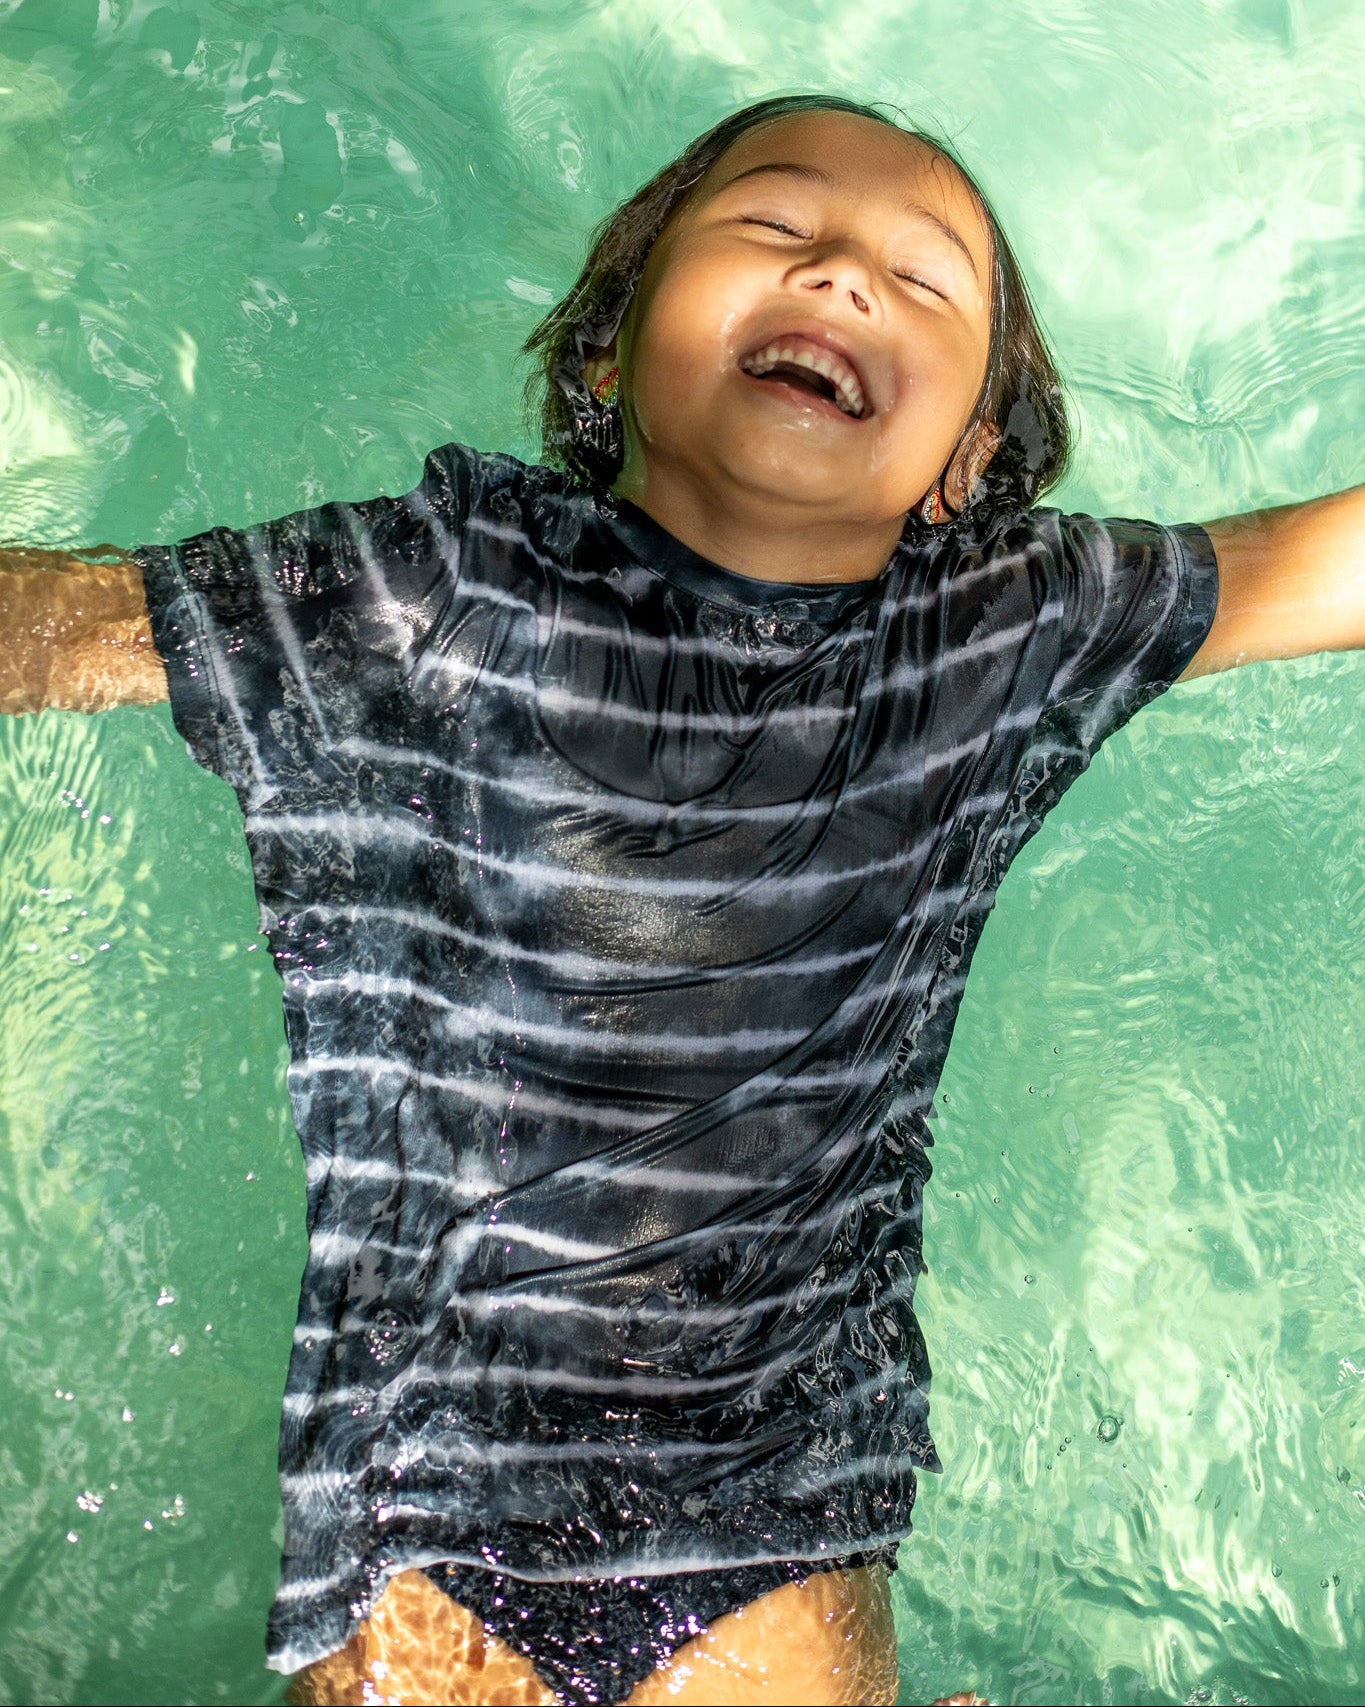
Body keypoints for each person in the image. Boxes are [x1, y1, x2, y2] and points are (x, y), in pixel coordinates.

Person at [1, 93, 1360, 1707]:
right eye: (773, 229)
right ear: (606, 350)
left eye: (922, 282)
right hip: (430, 1501)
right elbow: (53, 633)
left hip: (775, 1511)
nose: (845, 274)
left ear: (966, 462)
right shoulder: (435, 590)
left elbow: (1319, 564)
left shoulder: (1001, 632)